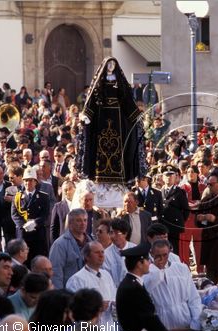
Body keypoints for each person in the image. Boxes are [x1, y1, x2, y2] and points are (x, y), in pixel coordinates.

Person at [76, 56, 144, 184]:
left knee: (118, 145)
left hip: (117, 119)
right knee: (101, 145)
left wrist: (136, 114)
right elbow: (92, 100)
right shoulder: (99, 81)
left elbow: (127, 100)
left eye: (113, 64)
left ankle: (119, 174)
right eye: (109, 64)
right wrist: (87, 115)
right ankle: (99, 174)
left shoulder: (120, 82)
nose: (111, 66)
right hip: (101, 117)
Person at [143, 240, 202, 331]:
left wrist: (196, 321)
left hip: (186, 321)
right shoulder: (146, 273)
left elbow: (193, 297)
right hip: (164, 324)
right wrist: (158, 269)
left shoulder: (181, 268)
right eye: (158, 256)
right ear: (151, 254)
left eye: (165, 255)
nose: (162, 258)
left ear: (169, 252)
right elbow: (146, 291)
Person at [116, 243, 170, 331]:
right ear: (139, 264)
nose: (150, 263)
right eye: (147, 260)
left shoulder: (132, 283)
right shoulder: (133, 288)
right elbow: (148, 319)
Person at [66, 241, 117, 331]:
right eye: (97, 252)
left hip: (108, 327)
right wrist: (95, 306)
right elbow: (73, 308)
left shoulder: (107, 275)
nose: (101, 255)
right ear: (87, 256)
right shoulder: (76, 279)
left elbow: (113, 297)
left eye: (102, 252)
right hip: (87, 330)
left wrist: (113, 305)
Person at [10, 167, 50, 260]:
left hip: (38, 234)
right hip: (23, 234)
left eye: (31, 180)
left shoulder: (43, 197)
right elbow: (14, 214)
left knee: (38, 259)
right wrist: (24, 225)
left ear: (35, 182)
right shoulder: (17, 197)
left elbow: (45, 214)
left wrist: (35, 223)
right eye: (26, 181)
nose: (28, 183)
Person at [49, 208, 93, 289]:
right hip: (69, 293)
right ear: (70, 223)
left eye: (85, 220)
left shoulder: (91, 242)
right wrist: (60, 296)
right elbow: (56, 273)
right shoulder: (60, 244)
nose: (83, 223)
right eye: (78, 220)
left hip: (89, 292)